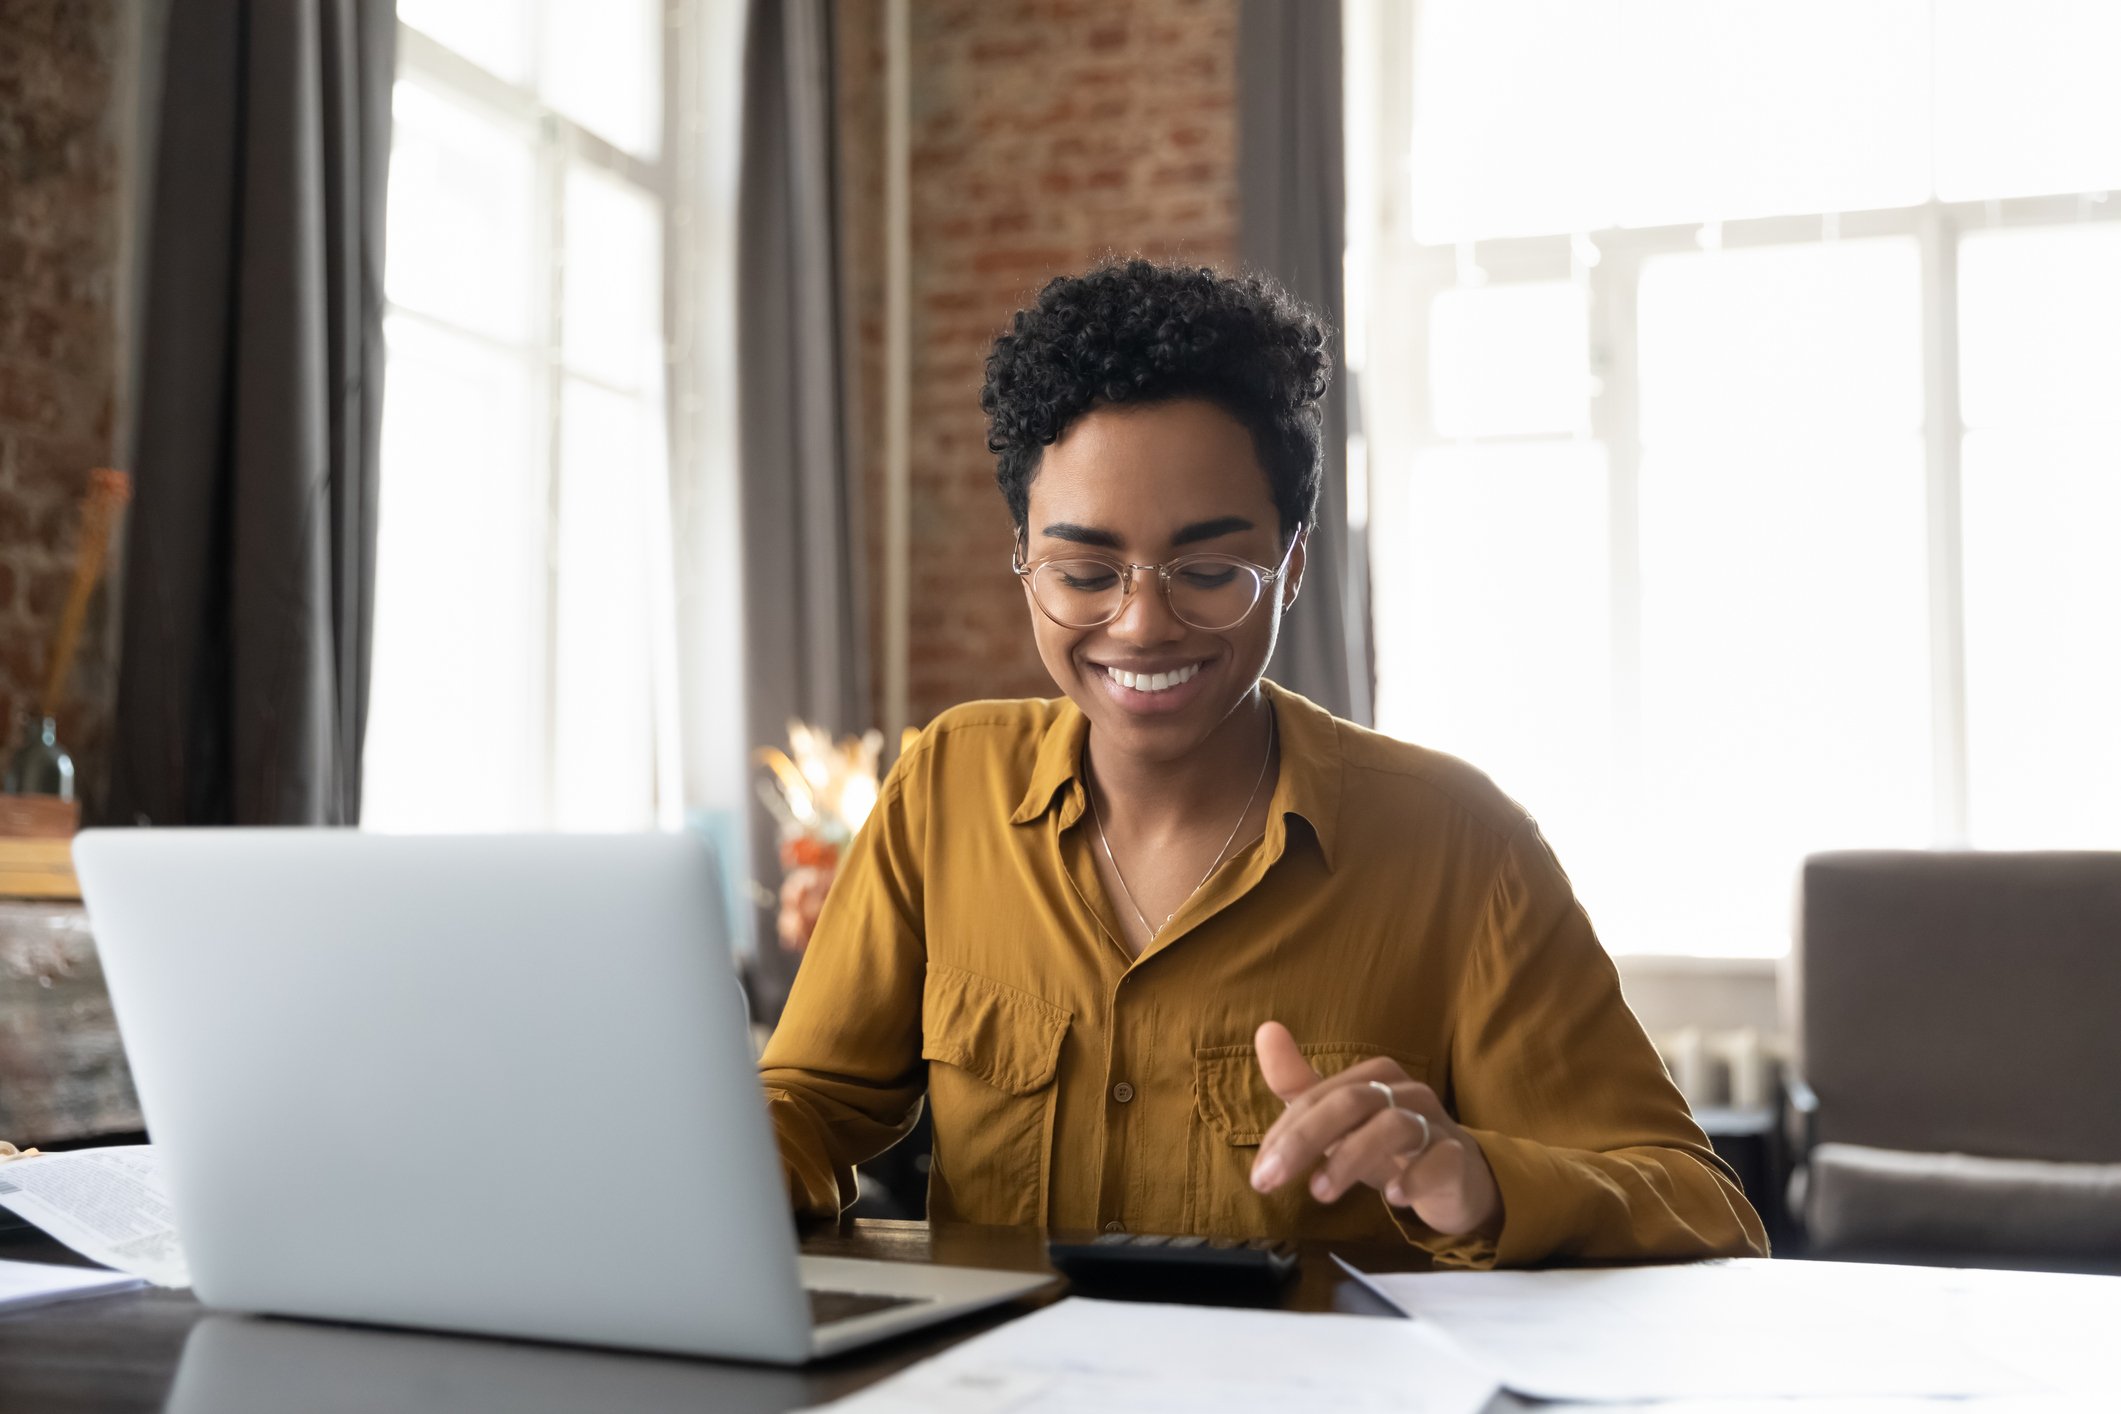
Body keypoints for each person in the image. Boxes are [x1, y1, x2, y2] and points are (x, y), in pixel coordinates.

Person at [757, 259, 1767, 1266]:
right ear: (1023, 559)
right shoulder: (947, 788)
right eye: (1084, 572)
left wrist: (1478, 1178)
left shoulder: (1463, 848)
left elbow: (1704, 1208)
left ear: (1291, 566)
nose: (1143, 624)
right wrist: (729, 1151)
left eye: (1207, 571)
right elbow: (808, 1102)